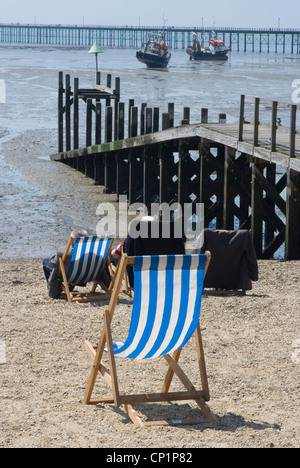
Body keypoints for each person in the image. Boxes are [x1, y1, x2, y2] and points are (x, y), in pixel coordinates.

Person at [43, 229, 110, 299]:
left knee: (46, 261)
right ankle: (70, 286)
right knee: (73, 266)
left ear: (72, 242)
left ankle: (56, 290)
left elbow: (54, 263)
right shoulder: (97, 253)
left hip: (70, 277)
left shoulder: (63, 251)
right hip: (88, 276)